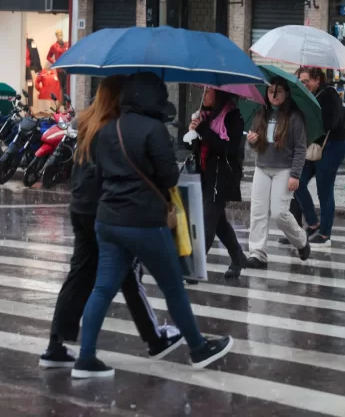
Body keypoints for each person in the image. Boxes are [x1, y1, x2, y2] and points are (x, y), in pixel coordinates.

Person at [73, 72, 233, 378]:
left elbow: (99, 170)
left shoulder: (107, 129)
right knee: (173, 287)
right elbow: (169, 178)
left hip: (107, 221)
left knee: (103, 289)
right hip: (144, 222)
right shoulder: (155, 129)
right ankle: (198, 348)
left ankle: (85, 357)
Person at [39, 76, 182, 370]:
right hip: (106, 210)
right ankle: (154, 339)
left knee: (80, 275)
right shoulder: (114, 126)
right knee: (128, 276)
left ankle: (56, 344)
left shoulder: (85, 121)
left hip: (80, 207)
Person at [245, 77, 311, 269]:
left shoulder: (294, 117)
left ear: (287, 93)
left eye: (279, 91)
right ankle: (257, 253)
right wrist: (252, 139)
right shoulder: (260, 114)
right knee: (257, 212)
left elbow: (300, 148)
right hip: (262, 168)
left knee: (279, 213)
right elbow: (255, 144)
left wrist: (295, 175)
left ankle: (301, 241)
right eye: (270, 90)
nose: (273, 95)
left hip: (284, 170)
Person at [188, 88, 247, 279]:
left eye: (208, 91)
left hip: (222, 178)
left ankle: (194, 267)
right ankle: (238, 257)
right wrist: (193, 133)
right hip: (206, 176)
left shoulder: (233, 117)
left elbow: (226, 148)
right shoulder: (206, 116)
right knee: (218, 221)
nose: (203, 94)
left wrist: (203, 130)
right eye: (203, 90)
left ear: (219, 94)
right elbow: (199, 149)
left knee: (207, 222)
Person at [289, 67, 345, 247]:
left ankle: (325, 233)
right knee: (296, 182)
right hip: (312, 147)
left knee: (324, 187)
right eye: (301, 81)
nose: (304, 85)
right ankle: (313, 223)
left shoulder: (329, 95)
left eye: (307, 81)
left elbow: (331, 122)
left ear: (317, 80)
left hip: (332, 146)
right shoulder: (304, 96)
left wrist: (311, 113)